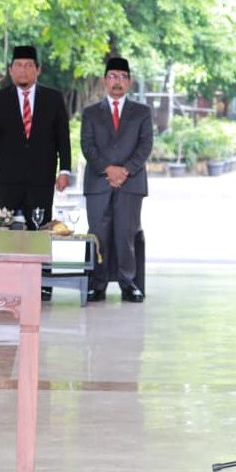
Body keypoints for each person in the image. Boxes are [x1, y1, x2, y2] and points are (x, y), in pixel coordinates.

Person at [80, 56, 153, 303]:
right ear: (104, 81)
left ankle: (129, 283)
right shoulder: (91, 112)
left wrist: (125, 171)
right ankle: (96, 284)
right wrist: (108, 170)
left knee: (126, 234)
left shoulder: (142, 112)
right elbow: (87, 146)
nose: (117, 81)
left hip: (130, 183)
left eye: (122, 77)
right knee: (97, 235)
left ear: (129, 82)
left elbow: (145, 146)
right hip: (99, 183)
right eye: (112, 76)